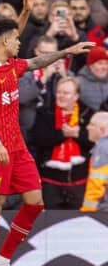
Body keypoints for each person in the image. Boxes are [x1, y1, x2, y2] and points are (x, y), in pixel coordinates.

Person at [0, 17, 92, 266]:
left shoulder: (11, 65)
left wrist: (66, 51)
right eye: (16, 38)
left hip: (18, 147)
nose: (19, 42)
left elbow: (36, 62)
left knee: (35, 202)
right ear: (4, 40)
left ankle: (3, 260)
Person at [32, 77, 93, 209]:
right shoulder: (45, 112)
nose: (61, 96)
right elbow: (38, 139)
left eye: (66, 93)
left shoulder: (87, 113)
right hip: (50, 180)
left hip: (79, 180)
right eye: (59, 92)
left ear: (76, 96)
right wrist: (62, 134)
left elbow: (94, 142)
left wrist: (78, 135)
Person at [80, 111, 108, 211]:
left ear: (102, 129)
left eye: (92, 124)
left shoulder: (103, 148)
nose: (87, 127)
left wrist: (87, 211)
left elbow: (97, 183)